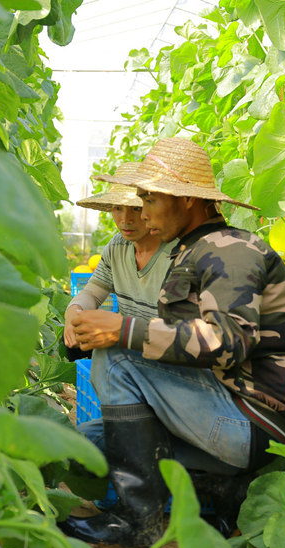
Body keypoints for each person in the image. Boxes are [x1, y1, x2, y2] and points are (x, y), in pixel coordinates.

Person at [60, 138, 285, 548]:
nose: (141, 212)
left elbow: (229, 342)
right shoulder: (192, 250)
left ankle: (136, 523)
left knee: (117, 356)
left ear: (185, 200)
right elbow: (182, 352)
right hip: (221, 408)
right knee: (91, 442)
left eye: (149, 199)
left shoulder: (231, 250)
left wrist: (122, 332)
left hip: (254, 419)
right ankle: (224, 489)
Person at [65, 161, 174, 447]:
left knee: (108, 351)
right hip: (129, 373)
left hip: (170, 370)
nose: (126, 219)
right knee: (81, 446)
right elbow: (91, 293)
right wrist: (74, 311)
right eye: (118, 209)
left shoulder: (175, 254)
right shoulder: (118, 246)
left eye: (136, 209)